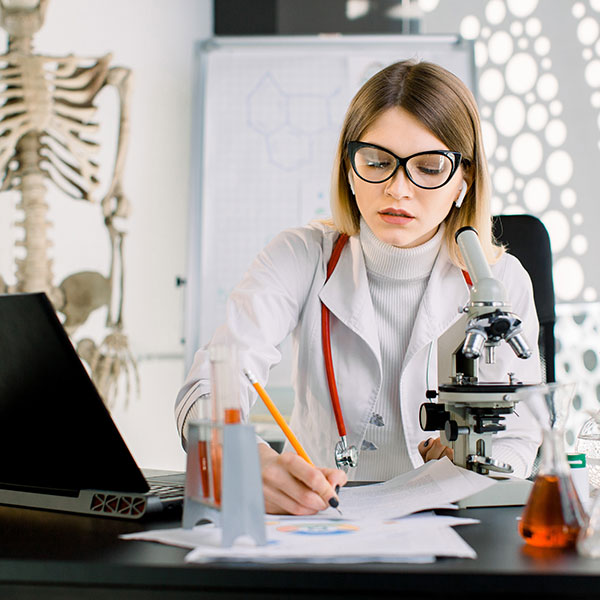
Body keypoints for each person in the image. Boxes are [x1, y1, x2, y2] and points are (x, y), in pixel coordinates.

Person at [175, 60, 542, 515]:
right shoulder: (299, 257)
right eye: (377, 162)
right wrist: (235, 456)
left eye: (428, 168)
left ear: (463, 180)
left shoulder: (499, 279)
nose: (398, 188)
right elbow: (205, 389)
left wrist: (479, 462)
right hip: (319, 517)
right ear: (349, 169)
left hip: (455, 519)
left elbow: (523, 433)